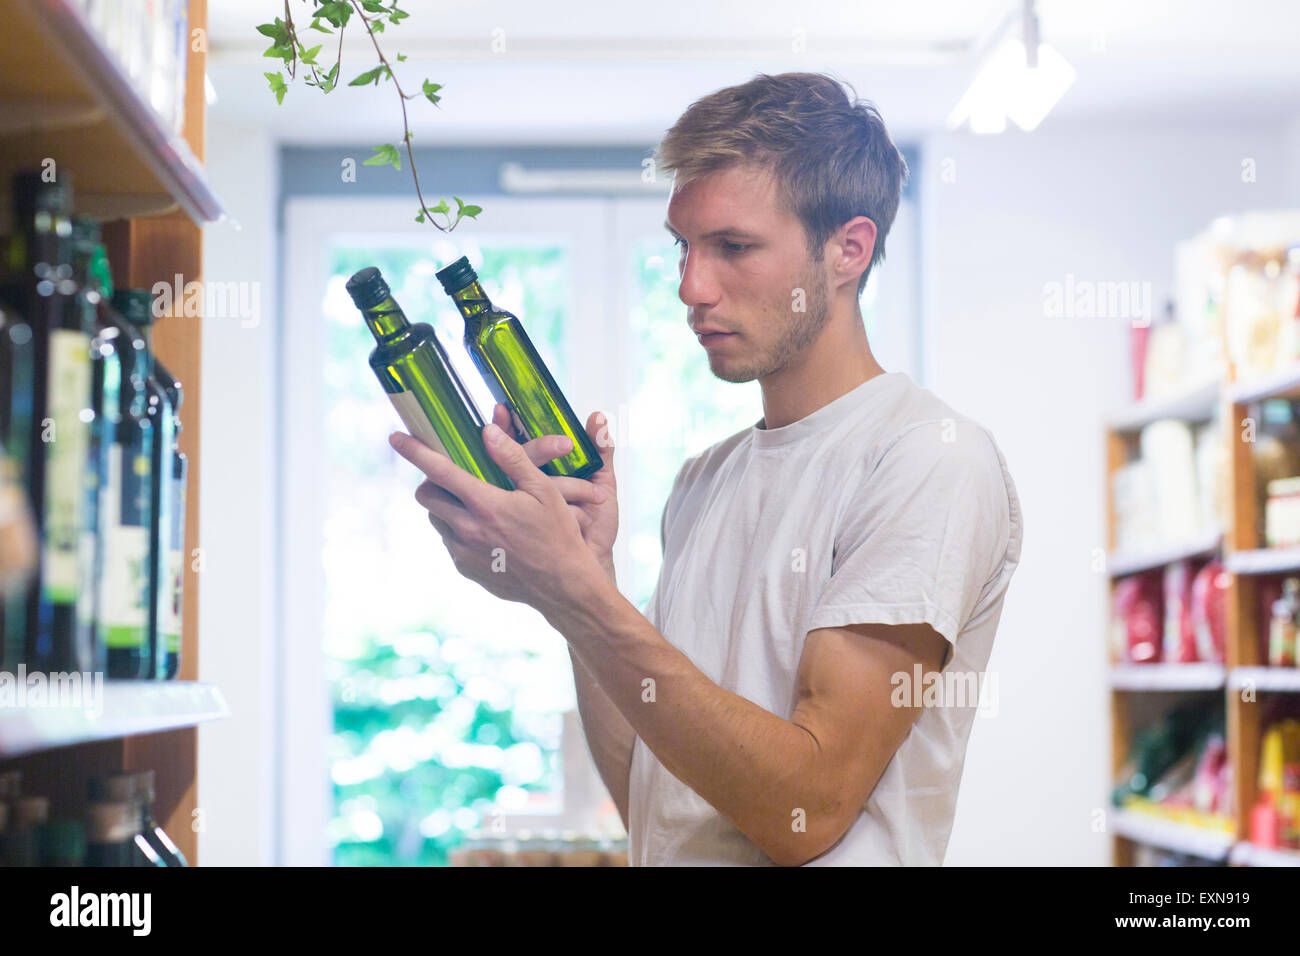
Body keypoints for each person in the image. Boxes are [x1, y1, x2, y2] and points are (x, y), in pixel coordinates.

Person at [390, 71, 1023, 866]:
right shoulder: (703, 482)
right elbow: (653, 804)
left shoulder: (927, 461)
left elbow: (806, 808)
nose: (692, 287)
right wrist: (583, 576)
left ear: (848, 250)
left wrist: (579, 594)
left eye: (733, 247)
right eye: (682, 248)